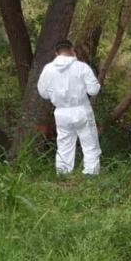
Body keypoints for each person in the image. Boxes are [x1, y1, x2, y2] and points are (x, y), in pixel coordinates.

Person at [37, 40, 102, 175]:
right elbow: (93, 90)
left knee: (64, 144)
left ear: (56, 53)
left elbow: (43, 93)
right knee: (90, 143)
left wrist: (56, 95)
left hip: (61, 111)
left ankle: (63, 173)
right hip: (81, 109)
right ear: (72, 50)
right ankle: (91, 173)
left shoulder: (48, 69)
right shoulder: (82, 67)